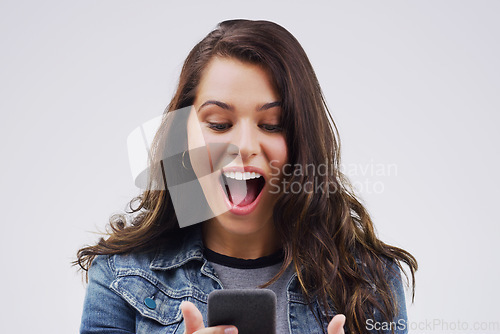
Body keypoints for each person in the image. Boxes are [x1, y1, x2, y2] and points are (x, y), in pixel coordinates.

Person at [75, 19, 417, 334]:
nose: (244, 145)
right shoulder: (120, 277)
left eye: (272, 125)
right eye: (219, 124)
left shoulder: (370, 281)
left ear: (301, 141)